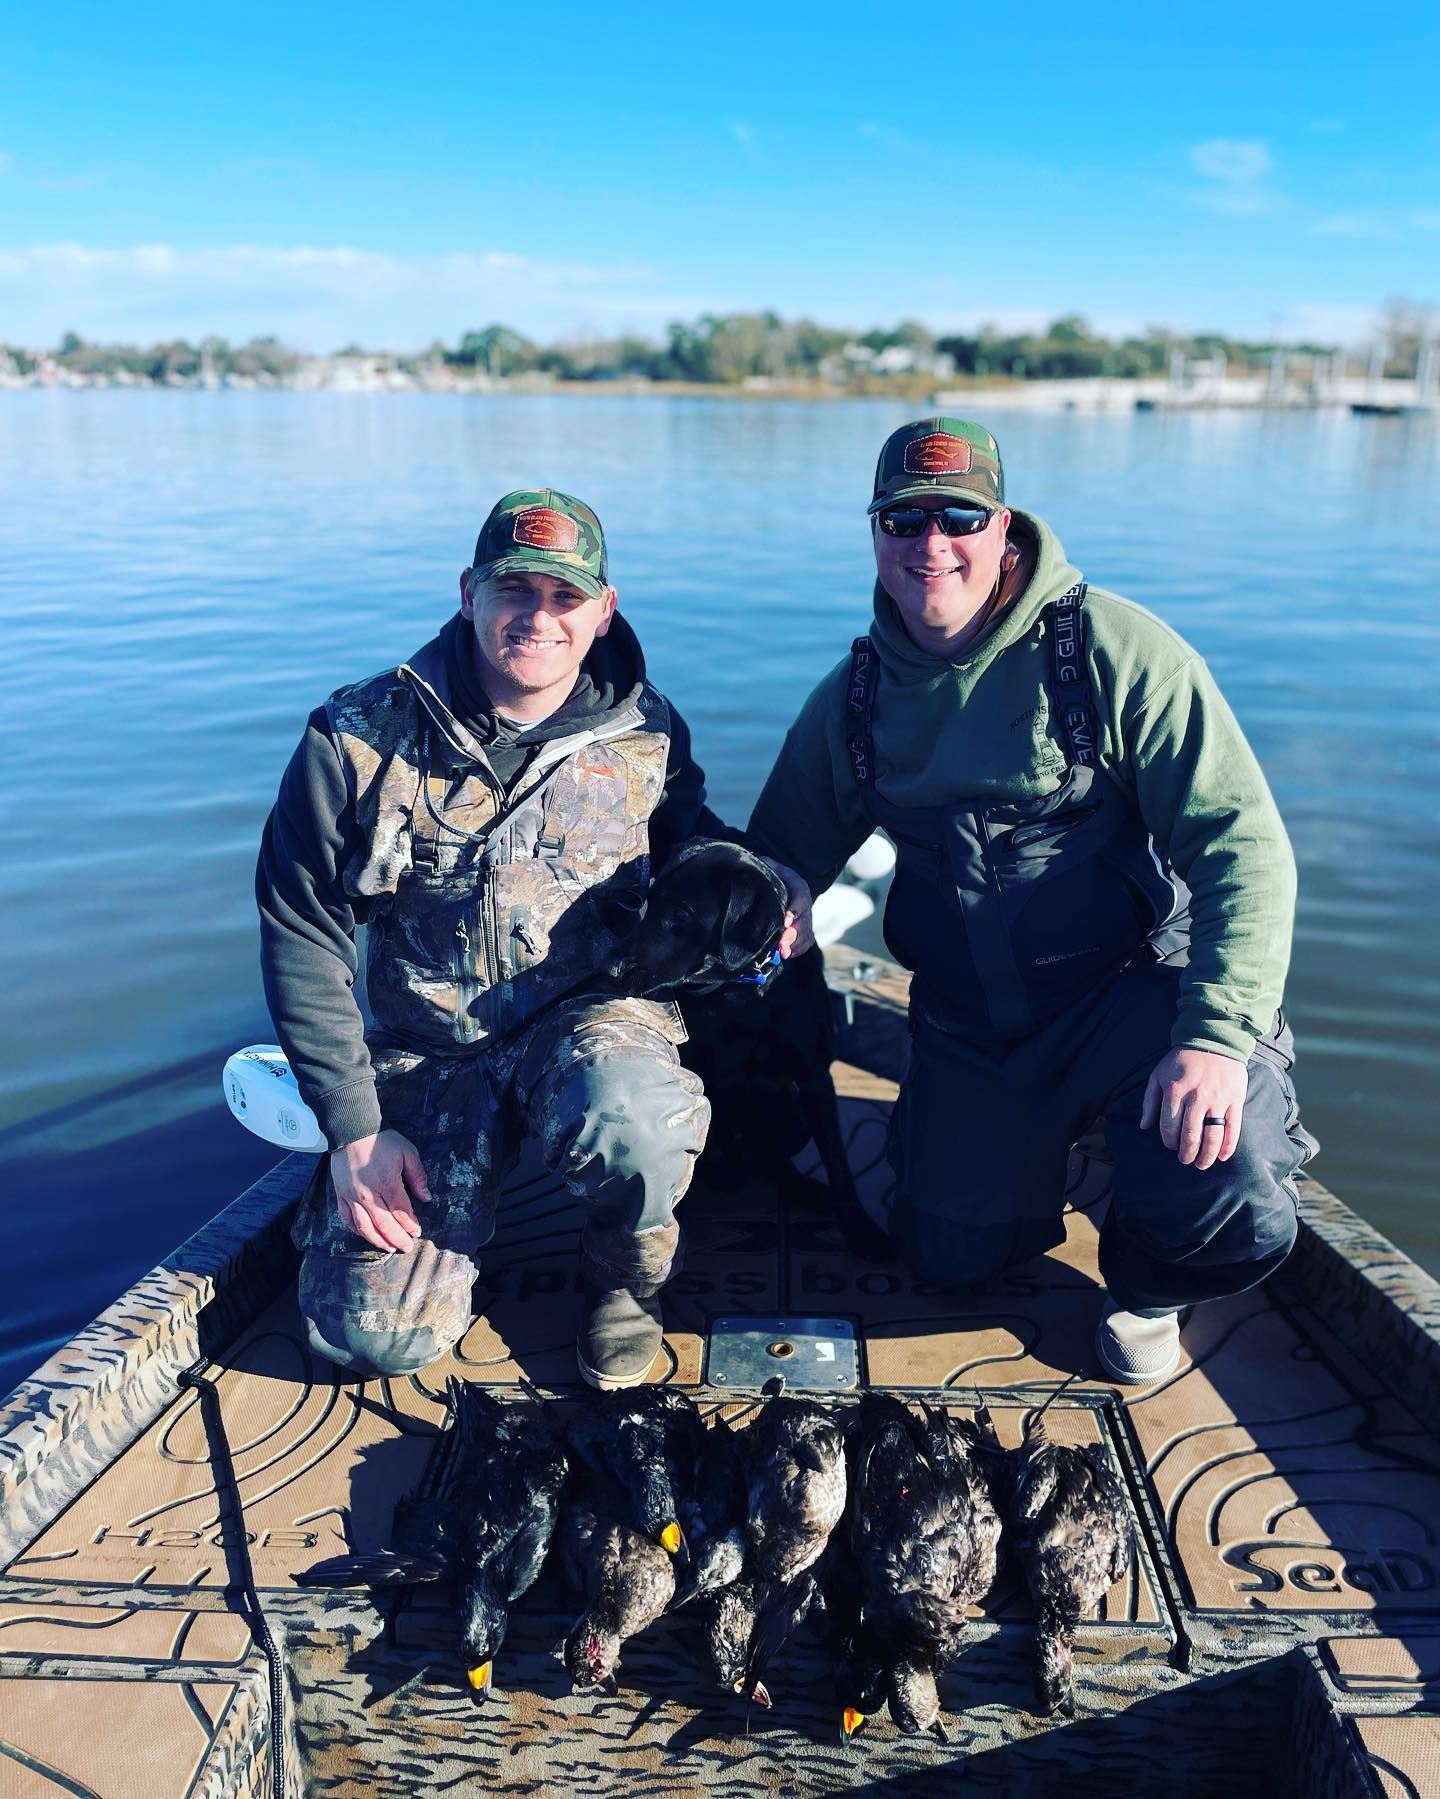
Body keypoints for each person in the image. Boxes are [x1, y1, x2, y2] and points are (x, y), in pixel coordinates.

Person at [747, 417, 1315, 1384]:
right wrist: (779, 898)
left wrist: (1214, 1036)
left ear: (1003, 526)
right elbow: (773, 857)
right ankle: (1033, 1140)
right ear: (876, 534)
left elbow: (1246, 851)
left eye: (959, 516)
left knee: (1227, 1172)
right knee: (948, 1258)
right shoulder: (853, 696)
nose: (932, 544)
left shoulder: (1116, 651)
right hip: (971, 1026)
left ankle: (1147, 1281)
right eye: (904, 518)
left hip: (1130, 994)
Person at [259, 487, 785, 1391]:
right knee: (366, 1340)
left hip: (588, 1014)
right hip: (426, 1050)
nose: (538, 617)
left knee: (640, 1125)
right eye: (515, 590)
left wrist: (766, 887)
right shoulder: (351, 738)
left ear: (603, 609)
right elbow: (300, 928)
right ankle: (423, 1224)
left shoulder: (647, 727)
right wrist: (353, 1129)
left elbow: (691, 835)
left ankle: (622, 1281)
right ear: (469, 591)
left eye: (565, 596)